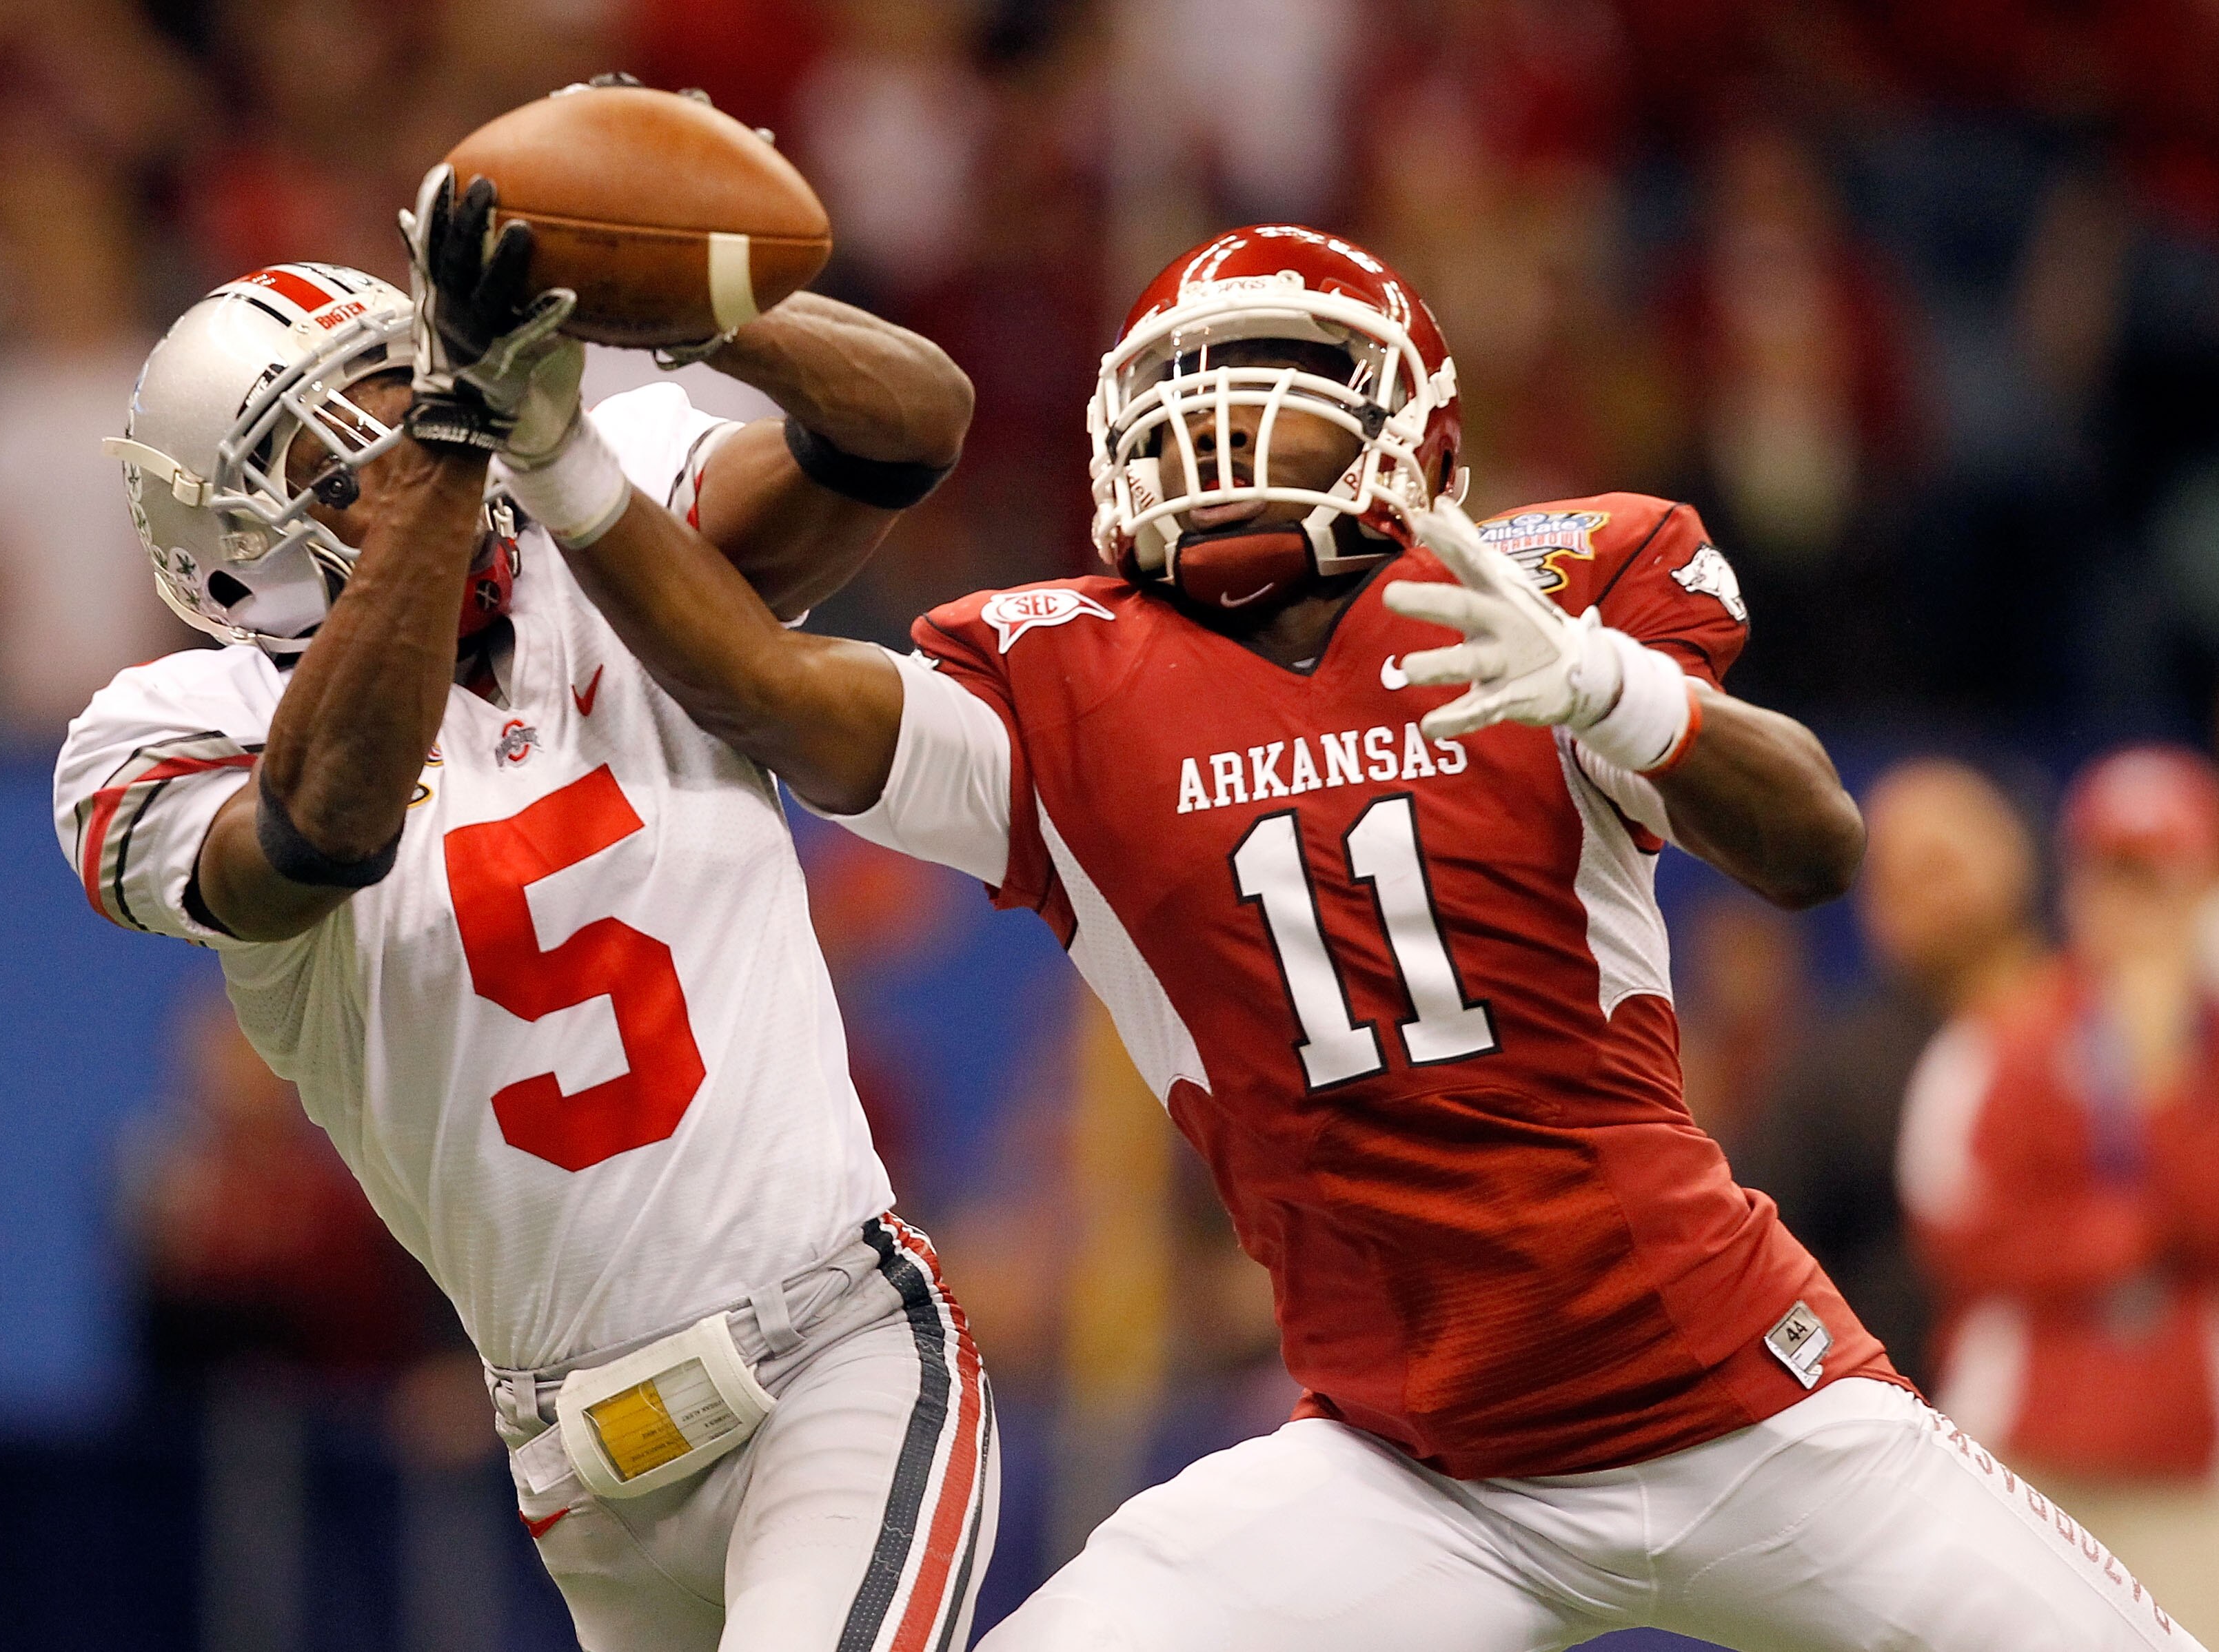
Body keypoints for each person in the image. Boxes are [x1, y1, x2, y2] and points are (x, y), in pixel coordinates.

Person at [529, 222, 2200, 1648]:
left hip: (1739, 1405)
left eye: (1280, 375)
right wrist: (563, 462)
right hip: (1404, 1458)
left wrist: (1620, 695)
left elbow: (1813, 842)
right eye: (1183, 386)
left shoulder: (1546, 592)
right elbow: (759, 685)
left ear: (1413, 435)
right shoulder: (1060, 681)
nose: (1220, 420)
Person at [55, 152, 996, 1652]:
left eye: (397, 389)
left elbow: (903, 431)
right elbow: (321, 828)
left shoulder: (594, 512)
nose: (398, 445)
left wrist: (692, 306)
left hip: (833, 1350)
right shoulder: (168, 729)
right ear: (230, 554)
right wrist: (438, 445)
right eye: (333, 449)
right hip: (578, 1463)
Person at [1899, 746, 2219, 1638]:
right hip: (2020, 1448)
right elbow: (1957, 1234)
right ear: (2072, 884)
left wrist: (2159, 1079)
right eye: (2113, 877)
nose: (2132, 909)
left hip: (2187, 1460)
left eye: (2158, 880)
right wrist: (2118, 1238)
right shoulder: (2002, 1044)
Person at [1738, 757, 2049, 1385]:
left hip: (2115, 1406)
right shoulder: (1833, 1072)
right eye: (1892, 878)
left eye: (1938, 862)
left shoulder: (2107, 1033)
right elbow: (1756, 1249)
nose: (1918, 890)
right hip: (1906, 1413)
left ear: (2012, 856)